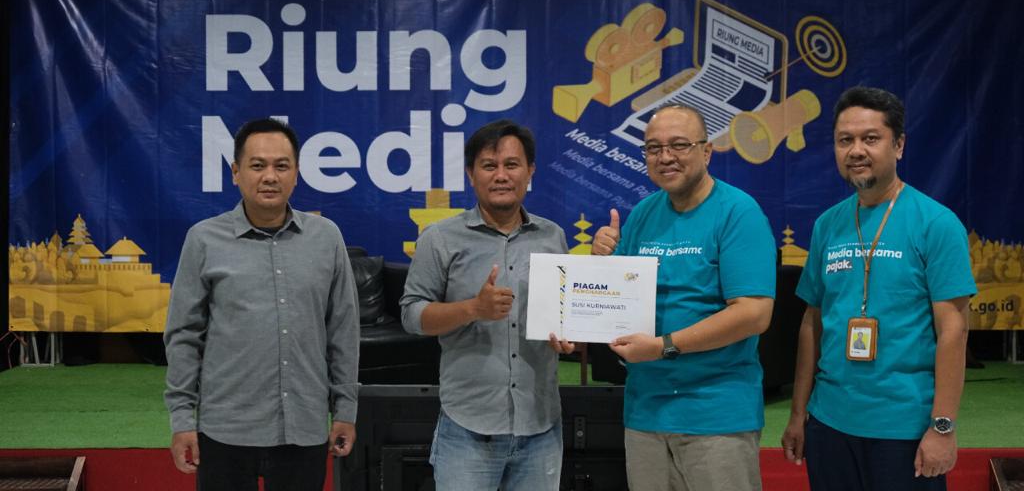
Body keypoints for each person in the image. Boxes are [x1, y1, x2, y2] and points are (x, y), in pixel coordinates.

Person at [781, 86, 975, 490]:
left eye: (871, 138)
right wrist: (798, 414)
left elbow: (953, 331)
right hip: (830, 423)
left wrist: (943, 426)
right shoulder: (827, 225)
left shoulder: (936, 224)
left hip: (903, 428)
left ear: (898, 145)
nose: (856, 151)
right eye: (845, 140)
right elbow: (812, 323)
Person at [164, 118, 360, 490]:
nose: (270, 176)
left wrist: (345, 409)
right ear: (236, 172)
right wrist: (182, 419)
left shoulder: (326, 238)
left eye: (281, 166)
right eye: (257, 165)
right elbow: (183, 337)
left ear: (296, 174)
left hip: (303, 429)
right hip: (224, 431)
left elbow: (343, 331)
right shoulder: (204, 240)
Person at [591, 104, 776, 491]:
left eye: (679, 145)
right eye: (653, 148)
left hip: (715, 415)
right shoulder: (643, 214)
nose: (665, 157)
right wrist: (601, 265)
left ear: (706, 152)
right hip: (646, 412)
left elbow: (754, 314)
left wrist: (663, 346)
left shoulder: (738, 213)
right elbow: (619, 304)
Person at [400, 119, 570, 491]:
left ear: (530, 172)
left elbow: (565, 314)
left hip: (540, 427)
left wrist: (568, 335)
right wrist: (473, 309)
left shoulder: (553, 236)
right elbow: (412, 315)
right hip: (468, 429)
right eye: (489, 166)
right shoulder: (440, 238)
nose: (501, 175)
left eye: (512, 165)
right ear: (471, 174)